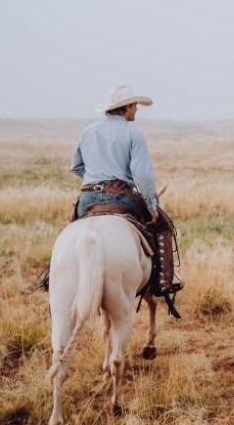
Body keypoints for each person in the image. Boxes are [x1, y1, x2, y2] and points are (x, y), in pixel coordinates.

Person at [70, 85, 182, 292]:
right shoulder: (133, 134)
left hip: (88, 197)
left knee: (70, 229)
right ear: (127, 107)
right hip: (121, 197)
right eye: (135, 106)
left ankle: (56, 274)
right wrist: (152, 206)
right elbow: (143, 176)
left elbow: (75, 166)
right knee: (163, 226)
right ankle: (164, 281)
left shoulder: (88, 131)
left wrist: (95, 180)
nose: (137, 110)